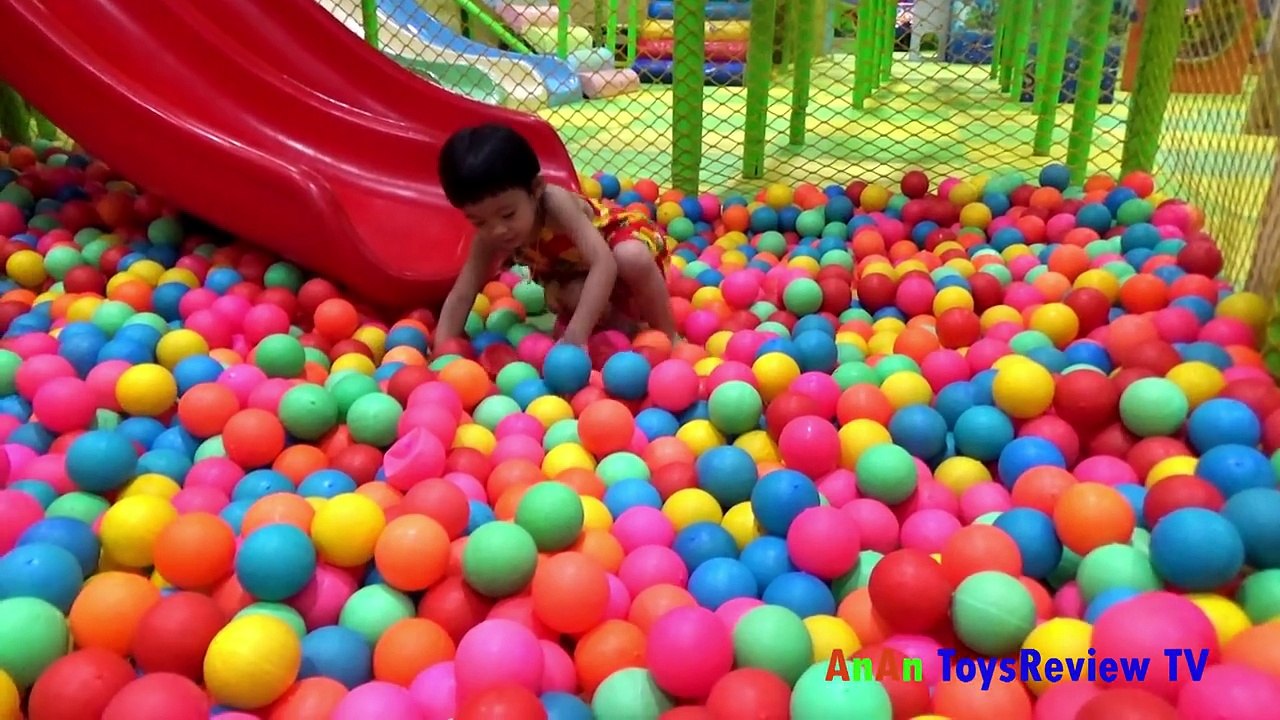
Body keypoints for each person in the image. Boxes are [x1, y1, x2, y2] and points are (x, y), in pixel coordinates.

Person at [432, 123, 677, 348]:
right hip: (577, 272)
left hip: (613, 247)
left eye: (508, 214)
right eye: (479, 221)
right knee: (572, 296)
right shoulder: (488, 236)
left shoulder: (555, 203)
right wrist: (443, 349)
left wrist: (576, 337)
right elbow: (462, 293)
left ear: (536, 189)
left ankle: (668, 336)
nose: (497, 229)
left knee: (630, 256)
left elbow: (604, 263)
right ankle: (627, 326)